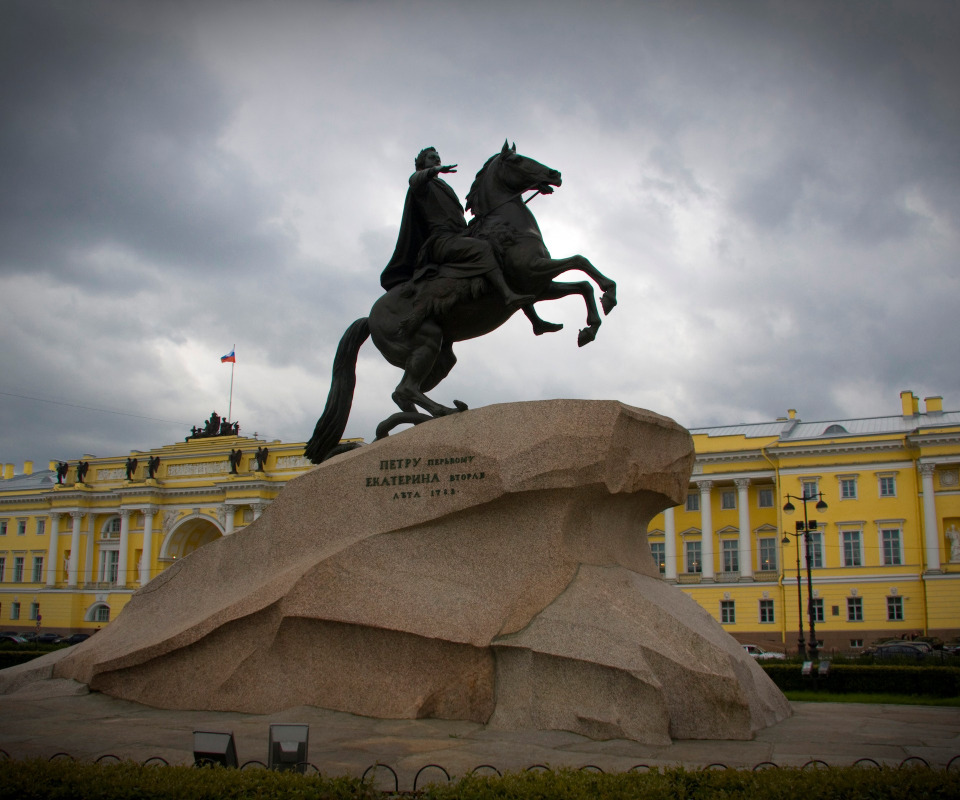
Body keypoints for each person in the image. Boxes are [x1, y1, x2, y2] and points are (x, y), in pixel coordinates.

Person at [380, 147, 535, 307]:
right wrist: (435, 170)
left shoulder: (443, 186)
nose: (436, 160)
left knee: (502, 248)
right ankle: (507, 295)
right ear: (422, 163)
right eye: (431, 158)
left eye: (437, 158)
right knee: (483, 248)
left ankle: (534, 319)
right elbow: (414, 180)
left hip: (459, 235)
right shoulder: (422, 186)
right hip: (441, 241)